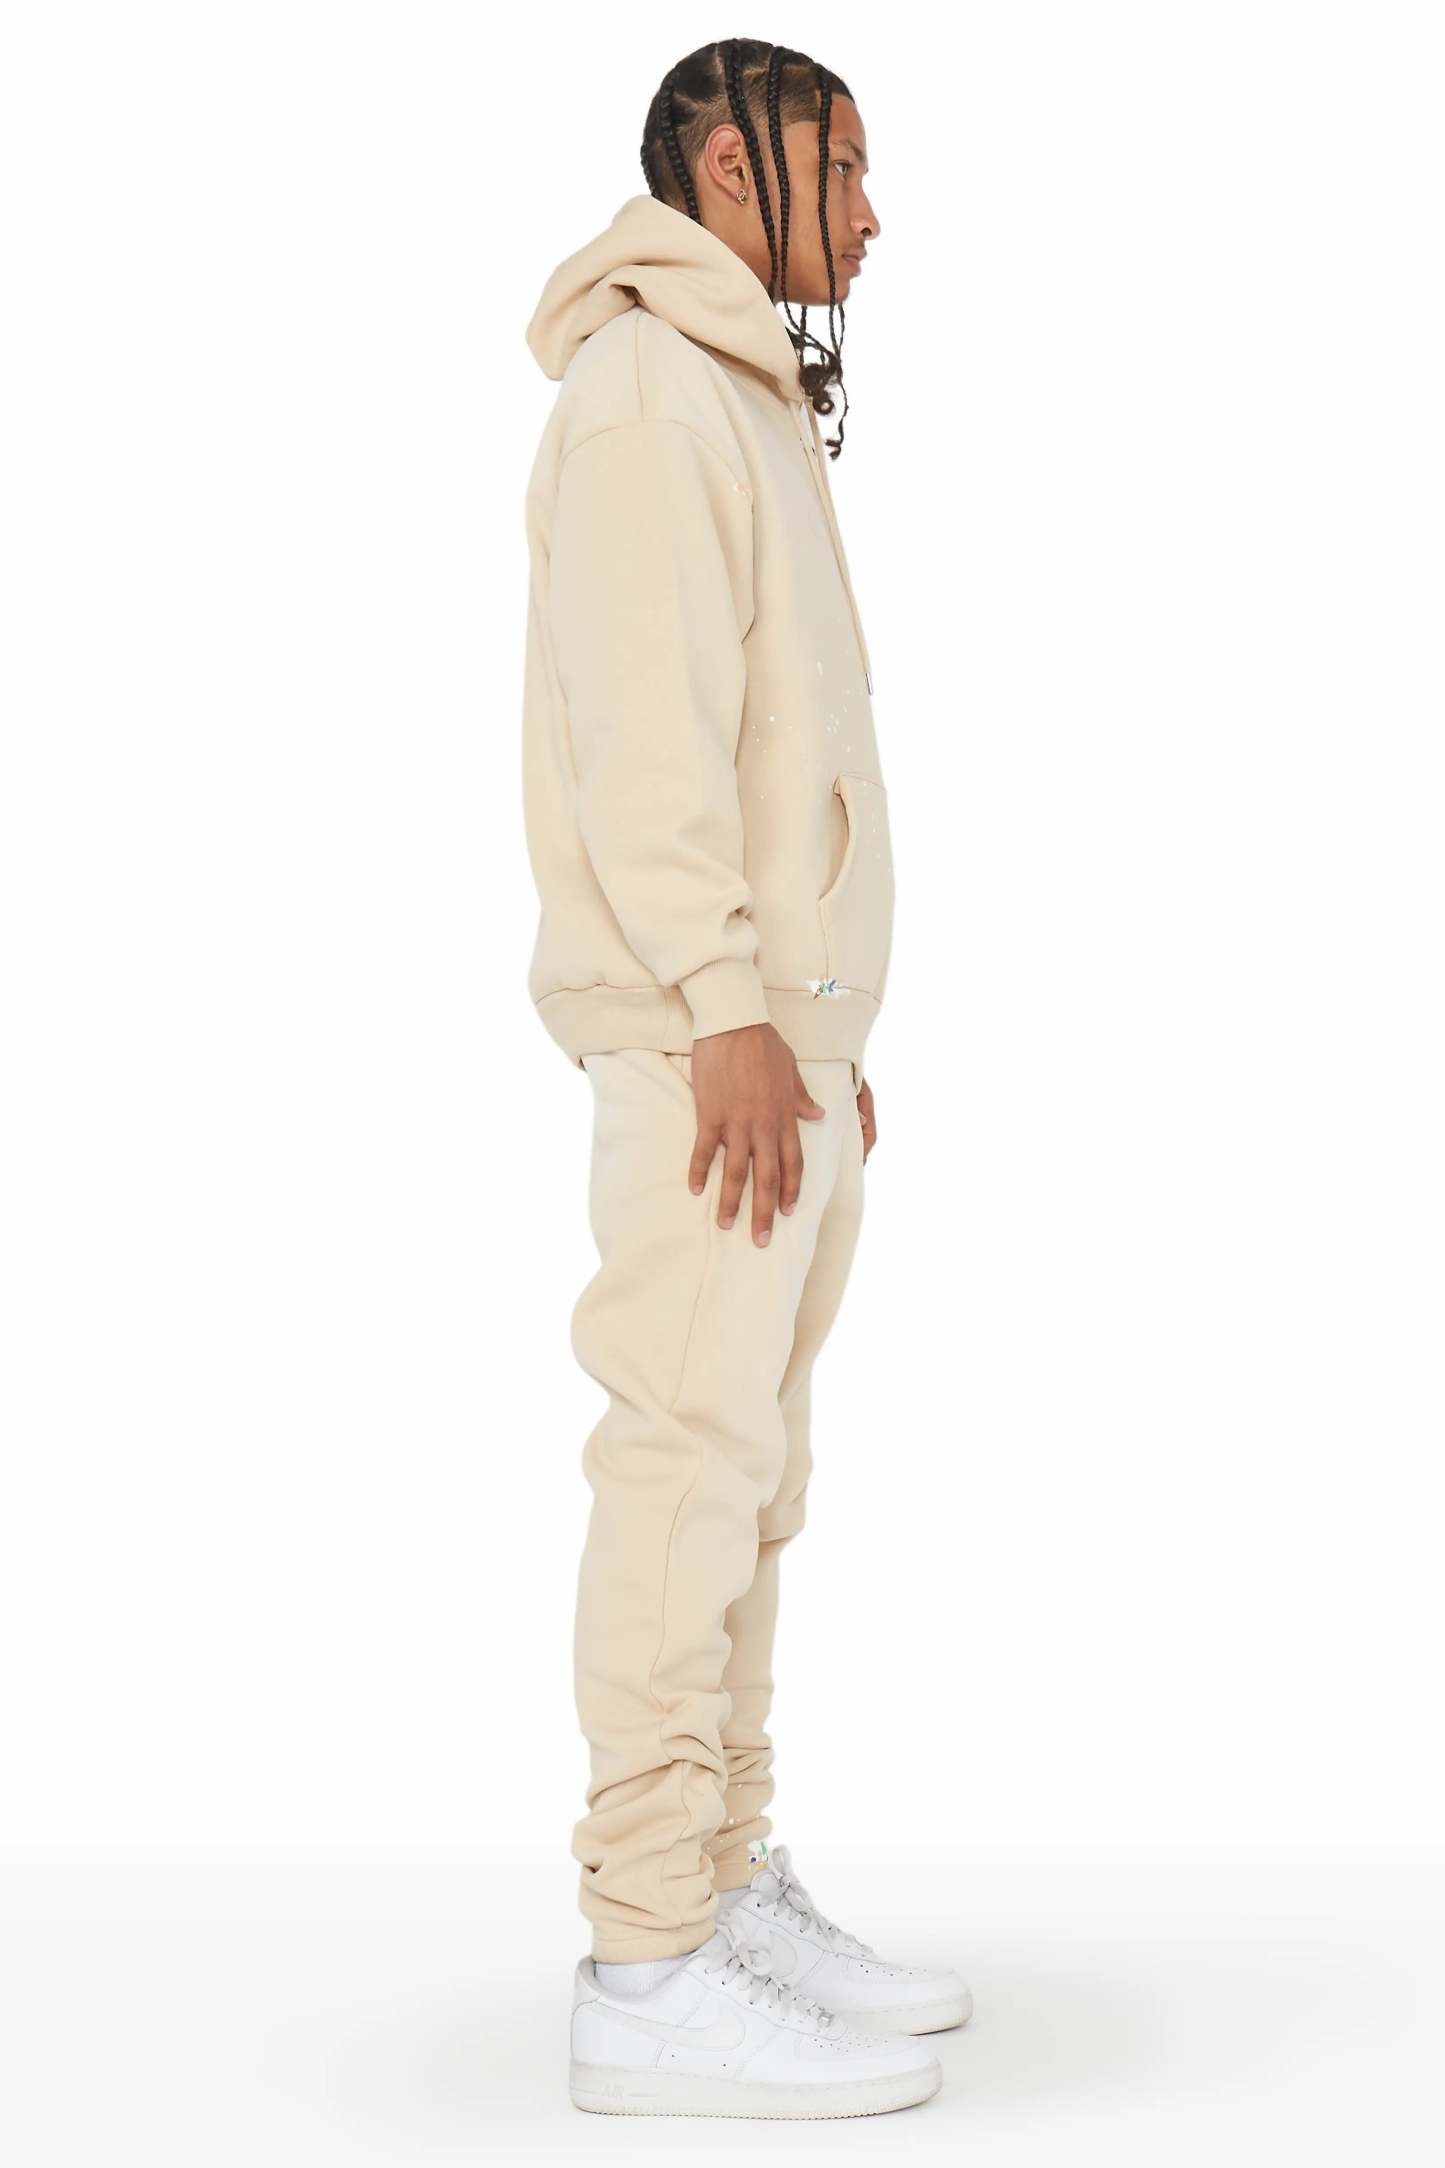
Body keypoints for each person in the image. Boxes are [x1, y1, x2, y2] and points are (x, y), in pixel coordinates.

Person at [519, 37, 969, 2120]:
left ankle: (720, 1880)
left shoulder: (738, 389)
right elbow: (644, 734)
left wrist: (810, 1024)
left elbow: (784, 733)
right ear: (729, 162)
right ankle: (643, 1958)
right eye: (841, 169)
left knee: (753, 1479)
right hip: (700, 1038)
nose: (871, 215)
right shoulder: (644, 395)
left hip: (774, 1041)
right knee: (684, 1462)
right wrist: (721, 1006)